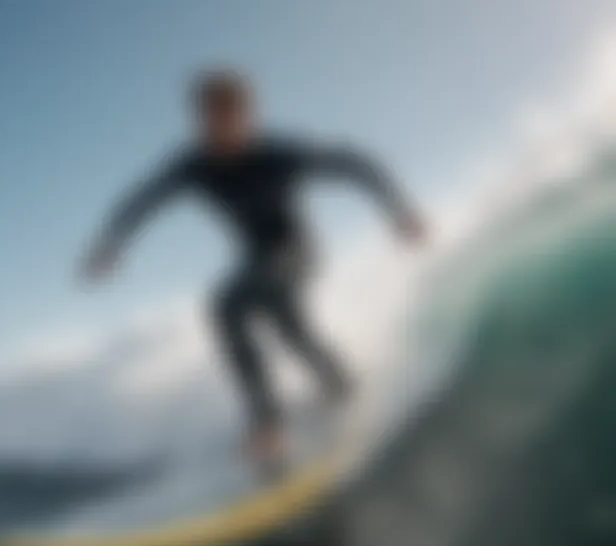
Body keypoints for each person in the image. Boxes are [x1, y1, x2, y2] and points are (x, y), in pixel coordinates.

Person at [79, 69, 427, 467]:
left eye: (229, 116)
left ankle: (267, 425)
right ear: (200, 120)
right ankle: (341, 386)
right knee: (291, 331)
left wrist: (398, 208)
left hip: (297, 252)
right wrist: (110, 244)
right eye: (210, 118)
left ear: (248, 115)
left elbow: (354, 162)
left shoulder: (278, 155)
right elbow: (142, 199)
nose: (220, 128)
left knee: (227, 305)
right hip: (256, 261)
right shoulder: (194, 166)